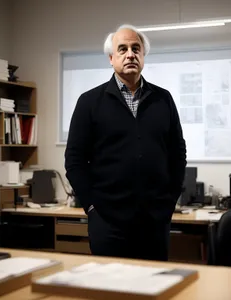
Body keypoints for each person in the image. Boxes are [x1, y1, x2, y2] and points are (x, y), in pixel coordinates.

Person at [64, 24, 187, 261]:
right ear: (111, 58)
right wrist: (91, 207)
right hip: (108, 224)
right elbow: (74, 160)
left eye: (135, 48)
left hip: (154, 223)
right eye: (122, 49)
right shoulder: (89, 102)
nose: (130, 54)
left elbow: (177, 152)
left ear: (143, 56)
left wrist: (169, 201)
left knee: (154, 291)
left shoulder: (163, 99)